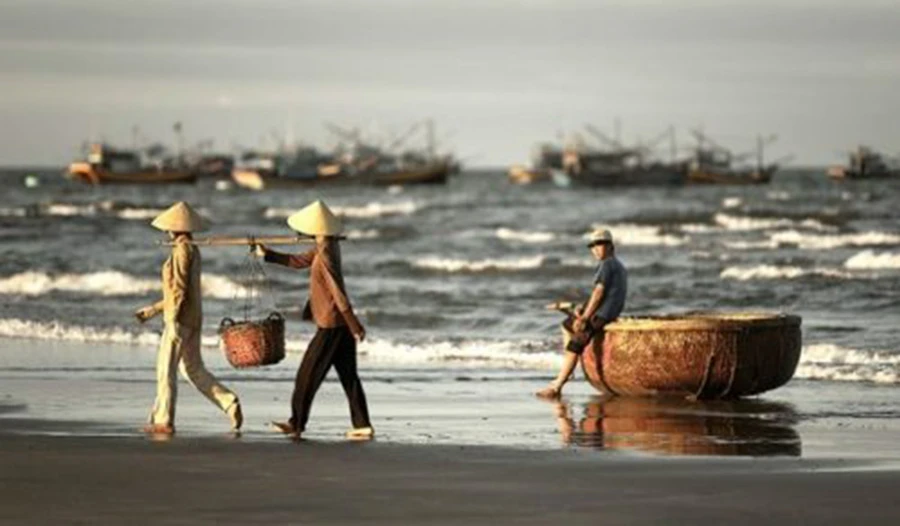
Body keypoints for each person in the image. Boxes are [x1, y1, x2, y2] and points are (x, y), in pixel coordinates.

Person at [255, 200, 373, 440]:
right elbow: (299, 262)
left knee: (307, 375)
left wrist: (354, 323)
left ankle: (296, 423)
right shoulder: (324, 246)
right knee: (349, 376)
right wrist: (268, 254)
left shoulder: (327, 251)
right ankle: (362, 425)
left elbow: (337, 291)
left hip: (332, 323)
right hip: (338, 324)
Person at [135, 201, 243, 434]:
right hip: (193, 318)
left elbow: (179, 289)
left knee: (166, 370)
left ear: (175, 228)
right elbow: (177, 291)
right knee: (193, 369)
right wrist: (152, 310)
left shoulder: (182, 250)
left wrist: (172, 320)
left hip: (180, 320)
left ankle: (164, 421)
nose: (166, 231)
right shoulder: (192, 248)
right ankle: (228, 402)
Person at [537, 228, 627, 398]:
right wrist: (582, 309)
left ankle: (557, 386)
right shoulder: (619, 266)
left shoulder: (606, 264)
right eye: (592, 245)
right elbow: (607, 294)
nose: (595, 249)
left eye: (599, 244)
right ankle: (569, 367)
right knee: (566, 325)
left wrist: (585, 317)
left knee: (575, 344)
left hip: (601, 315)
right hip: (606, 313)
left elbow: (599, 293)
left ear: (610, 246)